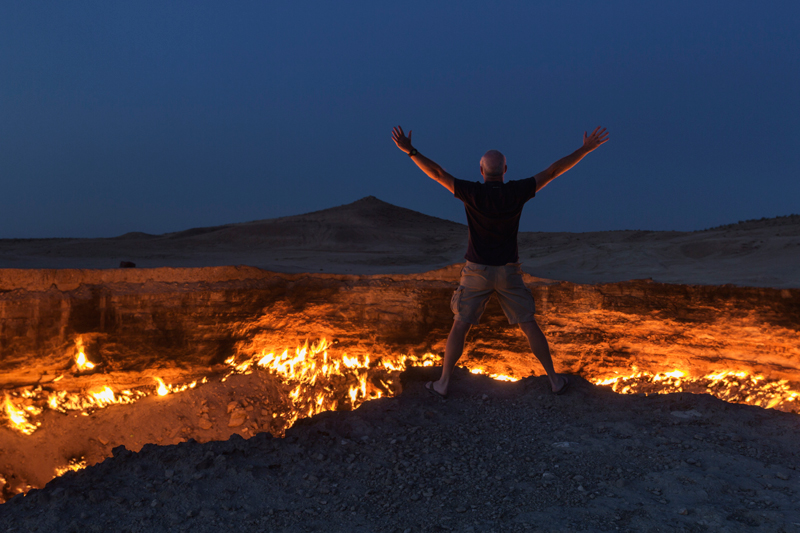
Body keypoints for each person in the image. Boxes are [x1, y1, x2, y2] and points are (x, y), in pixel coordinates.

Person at [391, 125, 609, 397]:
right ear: (506, 171)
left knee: (460, 324)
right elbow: (554, 171)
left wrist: (410, 150)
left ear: (481, 172)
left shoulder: (472, 192)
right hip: (508, 271)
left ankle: (443, 384)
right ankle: (554, 380)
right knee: (528, 324)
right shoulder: (517, 191)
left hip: (476, 271)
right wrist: (585, 149)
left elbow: (437, 173)